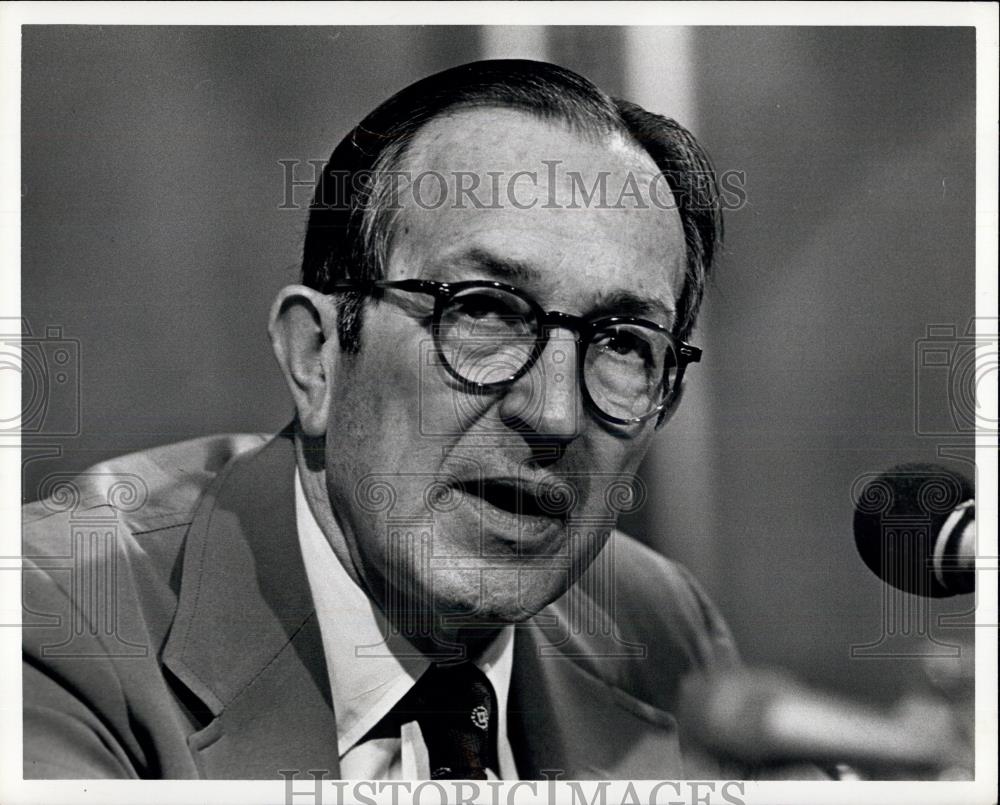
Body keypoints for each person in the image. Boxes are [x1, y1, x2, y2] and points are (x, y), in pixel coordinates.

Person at [23, 59, 741, 780]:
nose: (553, 413)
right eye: (484, 309)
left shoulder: (664, 631)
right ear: (317, 356)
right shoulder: (54, 614)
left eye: (622, 341)